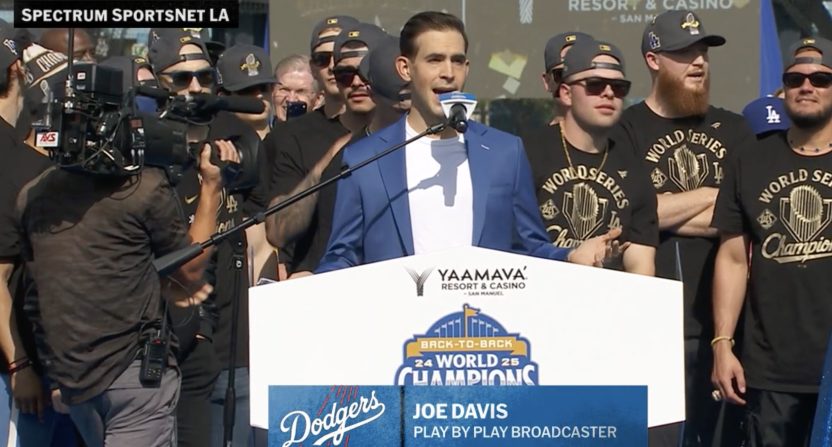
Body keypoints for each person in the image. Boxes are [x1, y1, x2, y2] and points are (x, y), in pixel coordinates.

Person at [317, 11, 625, 273]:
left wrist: (570, 255)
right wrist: (303, 288)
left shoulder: (506, 152)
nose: (448, 73)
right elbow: (342, 258)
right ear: (405, 68)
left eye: (457, 61)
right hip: (399, 333)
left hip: (483, 331)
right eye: (434, 60)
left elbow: (529, 248)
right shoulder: (365, 159)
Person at [612, 9, 754, 446]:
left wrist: (660, 212)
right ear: (653, 60)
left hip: (726, 330)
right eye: (684, 53)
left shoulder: (735, 130)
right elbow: (624, 217)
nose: (699, 62)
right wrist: (715, 196)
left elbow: (746, 218)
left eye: (703, 52)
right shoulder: (624, 130)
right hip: (653, 325)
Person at [712, 36, 832, 447]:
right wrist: (723, 344)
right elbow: (731, 258)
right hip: (770, 369)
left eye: (821, 78)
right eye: (795, 78)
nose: (807, 85)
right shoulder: (751, 157)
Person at [275, 36, 410, 276]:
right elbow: (277, 231)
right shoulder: (295, 136)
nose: (357, 82)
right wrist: (324, 166)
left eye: (366, 73)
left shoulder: (417, 139)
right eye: (345, 75)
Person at [522, 39, 658, 275]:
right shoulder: (526, 153)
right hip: (538, 296)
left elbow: (641, 264)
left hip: (608, 303)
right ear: (566, 93)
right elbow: (510, 243)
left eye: (619, 88)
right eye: (595, 85)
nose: (608, 93)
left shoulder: (634, 167)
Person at [540, 31, 593, 125]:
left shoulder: (621, 136)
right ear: (547, 82)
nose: (573, 84)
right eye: (563, 74)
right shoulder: (533, 139)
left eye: (584, 75)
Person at [271, 54, 319, 123]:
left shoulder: (329, 133)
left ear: (318, 99)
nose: (291, 99)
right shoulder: (256, 132)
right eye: (285, 90)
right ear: (272, 91)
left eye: (300, 91)